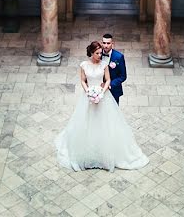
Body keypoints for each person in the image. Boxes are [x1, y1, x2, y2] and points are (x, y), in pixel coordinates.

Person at [54, 40, 148, 172]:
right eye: (97, 53)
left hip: (103, 95)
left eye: (100, 52)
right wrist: (88, 92)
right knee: (86, 122)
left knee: (106, 123)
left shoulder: (104, 65)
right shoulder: (84, 65)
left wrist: (102, 92)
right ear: (92, 53)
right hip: (88, 97)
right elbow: (82, 80)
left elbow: (108, 79)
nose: (100, 54)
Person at [101, 33, 126, 106]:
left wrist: (110, 84)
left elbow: (123, 76)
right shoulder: (97, 54)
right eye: (104, 43)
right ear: (101, 43)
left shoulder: (119, 57)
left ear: (112, 43)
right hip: (99, 88)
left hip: (113, 89)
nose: (106, 45)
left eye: (108, 43)